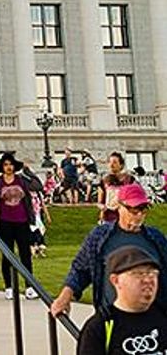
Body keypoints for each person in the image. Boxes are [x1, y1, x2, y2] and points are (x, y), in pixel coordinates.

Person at [51, 183, 167, 319]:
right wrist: (65, 296)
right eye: (133, 209)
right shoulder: (100, 237)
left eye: (143, 209)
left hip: (152, 317)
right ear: (119, 207)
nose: (139, 215)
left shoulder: (156, 238)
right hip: (112, 317)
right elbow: (80, 269)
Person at [77, 245, 167, 355]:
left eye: (152, 273)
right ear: (115, 280)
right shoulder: (100, 327)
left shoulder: (163, 315)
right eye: (138, 274)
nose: (148, 280)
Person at [0, 151, 43, 300]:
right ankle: (9, 286)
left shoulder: (21, 180)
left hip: (22, 221)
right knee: (7, 255)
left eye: (11, 164)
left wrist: (28, 171)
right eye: (5, 165)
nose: (8, 167)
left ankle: (29, 286)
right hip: (4, 222)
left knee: (25, 255)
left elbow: (38, 185)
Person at [98, 152, 136, 224]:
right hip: (108, 218)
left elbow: (135, 198)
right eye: (109, 162)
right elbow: (99, 202)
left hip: (125, 218)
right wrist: (102, 207)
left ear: (121, 165)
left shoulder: (129, 180)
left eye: (115, 162)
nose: (111, 165)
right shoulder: (104, 180)